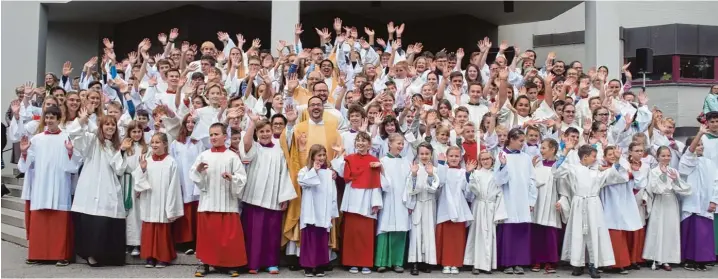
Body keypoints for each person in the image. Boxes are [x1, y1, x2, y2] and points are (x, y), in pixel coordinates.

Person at [554, 144, 630, 278]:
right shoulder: (573, 169)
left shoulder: (596, 172)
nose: (596, 159)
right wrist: (565, 152)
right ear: (585, 157)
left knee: (594, 233)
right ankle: (577, 264)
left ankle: (593, 265)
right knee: (577, 233)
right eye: (594, 156)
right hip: (578, 204)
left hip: (593, 204)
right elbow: (557, 171)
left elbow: (612, 175)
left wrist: (617, 161)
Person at [18, 106, 79, 266]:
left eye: (53, 118)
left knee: (59, 222)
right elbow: (26, 165)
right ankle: (36, 253)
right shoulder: (37, 139)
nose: (50, 120)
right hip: (41, 185)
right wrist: (24, 153)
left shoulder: (67, 138)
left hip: (60, 184)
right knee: (40, 221)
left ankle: (61, 255)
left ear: (59, 119)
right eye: (48, 117)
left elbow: (73, 167)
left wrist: (71, 152)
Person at [240, 113, 297, 274]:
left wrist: (284, 196)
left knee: (272, 232)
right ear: (257, 134)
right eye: (261, 132)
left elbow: (284, 173)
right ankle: (253, 263)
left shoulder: (279, 150)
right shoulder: (254, 148)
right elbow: (246, 142)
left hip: (273, 198)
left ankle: (272, 262)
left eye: (267, 131)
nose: (265, 134)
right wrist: (252, 123)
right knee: (254, 232)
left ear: (272, 131)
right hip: (254, 197)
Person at [68, 111, 127, 267]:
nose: (110, 127)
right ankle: (92, 254)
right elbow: (75, 136)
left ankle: (109, 256)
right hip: (92, 185)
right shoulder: (93, 141)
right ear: (100, 127)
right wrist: (83, 119)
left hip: (109, 186)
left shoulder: (115, 146)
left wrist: (121, 151)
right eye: (106, 124)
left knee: (108, 219)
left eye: (113, 124)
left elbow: (119, 169)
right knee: (94, 220)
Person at [190, 123, 248, 277]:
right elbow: (195, 176)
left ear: (225, 136)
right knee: (208, 237)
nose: (213, 137)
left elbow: (242, 177)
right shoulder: (204, 155)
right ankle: (204, 263)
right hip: (208, 202)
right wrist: (199, 171)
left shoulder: (232, 156)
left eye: (216, 134)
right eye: (211, 135)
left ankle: (229, 264)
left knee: (228, 238)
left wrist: (232, 178)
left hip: (227, 202)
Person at [331, 131, 383, 274]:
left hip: (367, 200)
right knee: (352, 234)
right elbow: (341, 171)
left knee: (366, 234)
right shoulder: (349, 158)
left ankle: (365, 262)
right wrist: (340, 154)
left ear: (369, 144)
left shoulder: (374, 160)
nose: (360, 143)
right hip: (352, 198)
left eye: (364, 140)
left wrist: (376, 202)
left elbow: (376, 183)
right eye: (358, 140)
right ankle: (351, 262)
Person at [132, 133, 184, 268]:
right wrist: (143, 170)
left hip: (164, 199)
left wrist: (171, 204)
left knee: (162, 228)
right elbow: (137, 180)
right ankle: (149, 257)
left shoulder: (171, 161)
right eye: (152, 142)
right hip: (150, 198)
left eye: (157, 142)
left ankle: (163, 257)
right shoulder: (147, 161)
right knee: (149, 227)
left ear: (165, 144)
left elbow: (174, 185)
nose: (154, 145)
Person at [600, 144, 648, 274]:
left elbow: (637, 182)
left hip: (622, 205)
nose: (612, 156)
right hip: (608, 205)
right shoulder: (601, 170)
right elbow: (615, 177)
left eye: (614, 154)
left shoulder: (624, 167)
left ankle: (620, 263)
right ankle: (609, 264)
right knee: (611, 234)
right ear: (604, 157)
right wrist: (624, 171)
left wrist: (633, 173)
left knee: (620, 234)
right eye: (609, 155)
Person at [494, 128, 537, 274]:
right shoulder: (501, 155)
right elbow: (499, 180)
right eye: (520, 141)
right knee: (509, 230)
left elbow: (532, 179)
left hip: (523, 199)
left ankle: (519, 262)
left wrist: (531, 201)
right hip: (508, 198)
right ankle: (507, 263)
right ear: (511, 139)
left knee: (521, 230)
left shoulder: (525, 158)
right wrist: (503, 165)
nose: (522, 143)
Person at [642, 146, 691, 271]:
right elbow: (654, 188)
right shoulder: (654, 171)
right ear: (658, 157)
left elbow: (682, 188)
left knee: (670, 229)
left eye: (668, 155)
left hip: (671, 202)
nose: (666, 158)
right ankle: (657, 257)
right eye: (663, 155)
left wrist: (675, 181)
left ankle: (669, 258)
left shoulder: (673, 170)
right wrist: (663, 176)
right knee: (659, 228)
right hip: (660, 202)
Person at [296, 144, 340, 277]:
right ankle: (308, 266)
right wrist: (314, 171)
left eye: (323, 155)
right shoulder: (305, 170)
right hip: (311, 210)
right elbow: (303, 182)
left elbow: (333, 193)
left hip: (324, 210)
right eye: (318, 155)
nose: (321, 158)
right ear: (312, 156)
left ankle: (320, 265)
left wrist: (333, 210)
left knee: (321, 238)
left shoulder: (328, 173)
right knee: (309, 238)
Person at [679, 130, 718, 271]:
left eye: (702, 145)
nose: (700, 147)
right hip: (691, 203)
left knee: (704, 234)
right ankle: (690, 260)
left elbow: (716, 183)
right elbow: (690, 153)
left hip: (706, 204)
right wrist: (700, 134)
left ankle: (703, 260)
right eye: (698, 144)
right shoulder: (686, 161)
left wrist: (714, 201)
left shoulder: (709, 163)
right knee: (691, 233)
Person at [464, 150, 507, 274]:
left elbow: (501, 189)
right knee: (477, 235)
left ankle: (487, 264)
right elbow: (470, 192)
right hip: (479, 206)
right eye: (483, 159)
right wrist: (469, 174)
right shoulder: (476, 173)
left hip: (491, 207)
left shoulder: (496, 174)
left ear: (492, 160)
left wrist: (503, 166)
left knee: (489, 236)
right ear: (480, 161)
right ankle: (475, 263)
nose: (486, 161)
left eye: (488, 158)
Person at [375, 133, 412, 273]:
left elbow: (409, 183)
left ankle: (397, 262)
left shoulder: (406, 162)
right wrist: (383, 172)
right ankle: (381, 262)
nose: (401, 146)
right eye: (398, 143)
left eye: (402, 144)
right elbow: (381, 183)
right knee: (385, 228)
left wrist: (408, 201)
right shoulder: (383, 161)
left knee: (400, 229)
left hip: (402, 200)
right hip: (388, 199)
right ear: (389, 144)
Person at [434, 147, 474, 274]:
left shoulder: (462, 171)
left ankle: (456, 263)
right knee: (446, 237)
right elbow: (440, 182)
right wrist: (440, 164)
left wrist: (468, 174)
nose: (454, 158)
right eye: (451, 156)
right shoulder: (442, 169)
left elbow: (466, 190)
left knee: (457, 237)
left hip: (459, 206)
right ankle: (446, 263)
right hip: (445, 206)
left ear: (460, 158)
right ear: (447, 157)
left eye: (456, 156)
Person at [405, 142, 440, 275]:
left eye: (427, 153)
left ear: (431, 155)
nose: (424, 156)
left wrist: (430, 175)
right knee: (416, 232)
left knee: (428, 233)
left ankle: (426, 261)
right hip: (418, 203)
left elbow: (434, 189)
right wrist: (414, 176)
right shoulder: (414, 168)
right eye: (422, 154)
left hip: (429, 204)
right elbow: (410, 190)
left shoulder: (435, 169)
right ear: (418, 155)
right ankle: (415, 262)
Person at [530, 138, 562, 273]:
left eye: (544, 148)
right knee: (537, 231)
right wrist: (531, 168)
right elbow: (532, 183)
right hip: (538, 201)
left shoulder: (560, 164)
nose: (541, 151)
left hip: (552, 201)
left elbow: (564, 185)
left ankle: (550, 261)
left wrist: (562, 201)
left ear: (553, 149)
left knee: (550, 232)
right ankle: (537, 260)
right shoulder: (538, 164)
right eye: (541, 148)